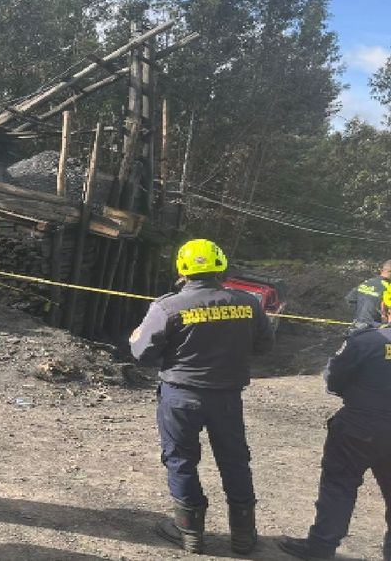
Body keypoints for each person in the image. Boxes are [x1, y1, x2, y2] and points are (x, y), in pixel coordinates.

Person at [279, 275, 391, 561]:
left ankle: (321, 547)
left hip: (359, 427)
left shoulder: (366, 341)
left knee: (339, 487)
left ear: (385, 306)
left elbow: (334, 380)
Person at [129, 238, 275, 555]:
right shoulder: (248, 303)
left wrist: (137, 337)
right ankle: (244, 535)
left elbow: (142, 353)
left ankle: (190, 533)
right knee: (235, 461)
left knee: (181, 460)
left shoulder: (168, 306)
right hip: (227, 398)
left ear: (182, 270)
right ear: (220, 266)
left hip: (180, 396)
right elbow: (265, 345)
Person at [344, 258, 391, 329]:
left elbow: (349, 299)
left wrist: (361, 315)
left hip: (358, 326)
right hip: (377, 328)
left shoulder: (367, 282)